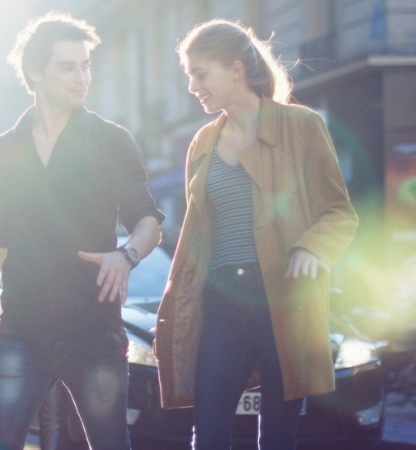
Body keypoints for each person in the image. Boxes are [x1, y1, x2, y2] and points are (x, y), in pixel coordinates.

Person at [0, 12, 165, 450]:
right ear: (35, 72)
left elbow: (149, 220)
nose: (82, 77)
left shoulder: (111, 140)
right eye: (68, 66)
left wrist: (127, 257)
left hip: (95, 334)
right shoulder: (6, 148)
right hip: (19, 333)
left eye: (85, 65)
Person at [154, 20, 359, 450]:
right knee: (207, 433)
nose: (192, 86)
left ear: (235, 69)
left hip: (282, 298)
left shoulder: (301, 126)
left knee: (278, 437)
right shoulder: (203, 142)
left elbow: (339, 212)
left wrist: (310, 246)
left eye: (199, 73)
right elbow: (197, 234)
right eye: (188, 75)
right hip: (221, 303)